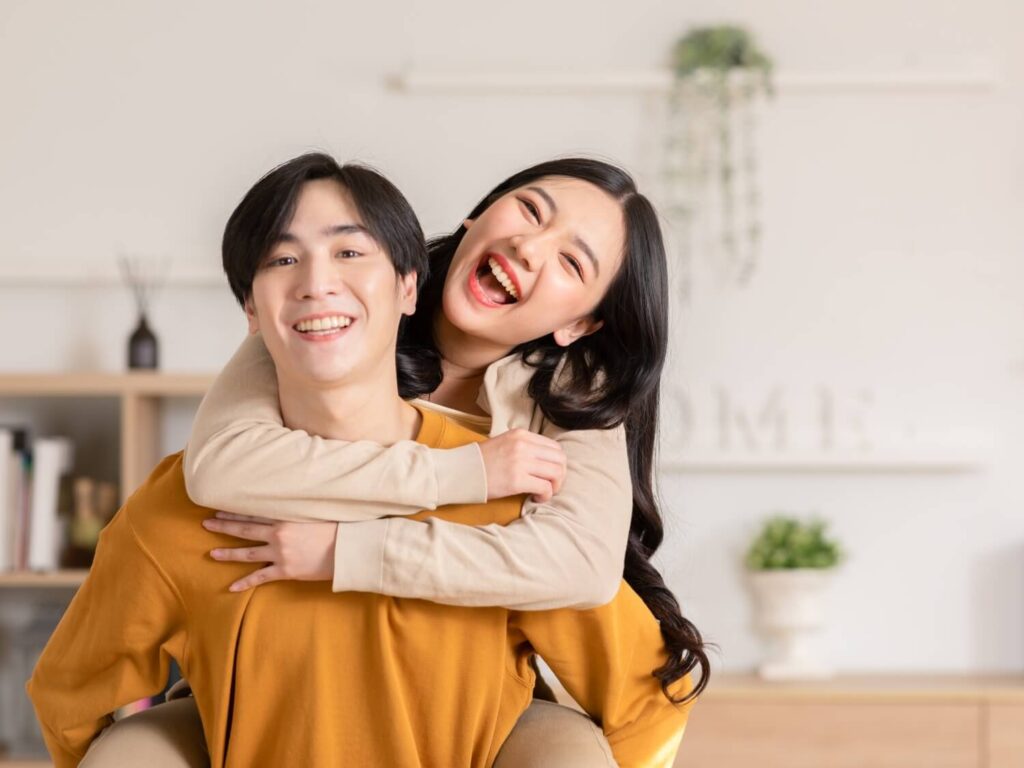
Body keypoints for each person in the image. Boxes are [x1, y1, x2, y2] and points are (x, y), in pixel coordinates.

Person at [27, 155, 696, 767]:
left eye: (572, 262)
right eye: (529, 210)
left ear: (581, 324)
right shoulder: (320, 317)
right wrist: (461, 474)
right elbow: (218, 469)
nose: (318, 283)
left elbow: (587, 585)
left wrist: (345, 551)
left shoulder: (554, 436)